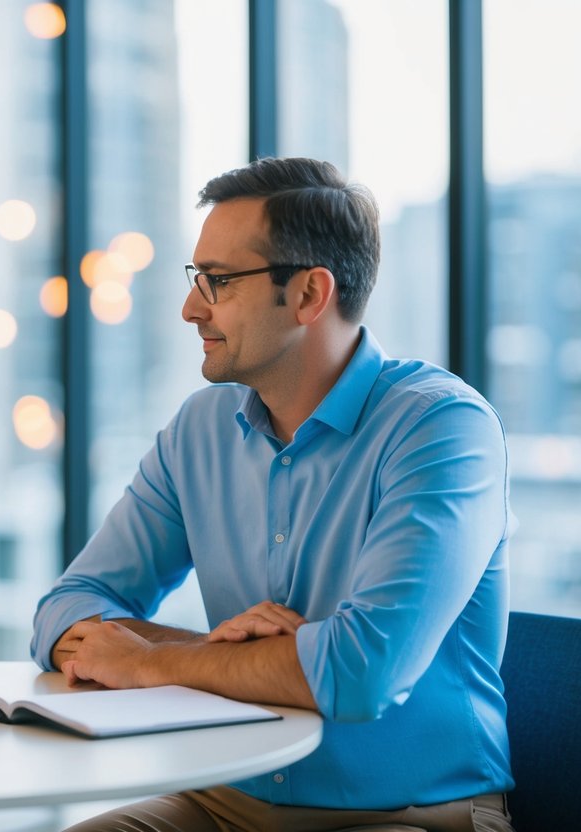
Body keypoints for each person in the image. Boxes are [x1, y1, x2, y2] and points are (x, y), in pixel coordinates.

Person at [32, 158, 516, 832]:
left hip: (409, 816)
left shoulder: (441, 430)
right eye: (194, 278)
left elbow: (360, 674)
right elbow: (65, 611)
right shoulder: (199, 429)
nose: (190, 307)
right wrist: (231, 658)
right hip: (222, 802)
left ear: (308, 295)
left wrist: (152, 662)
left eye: (219, 281)